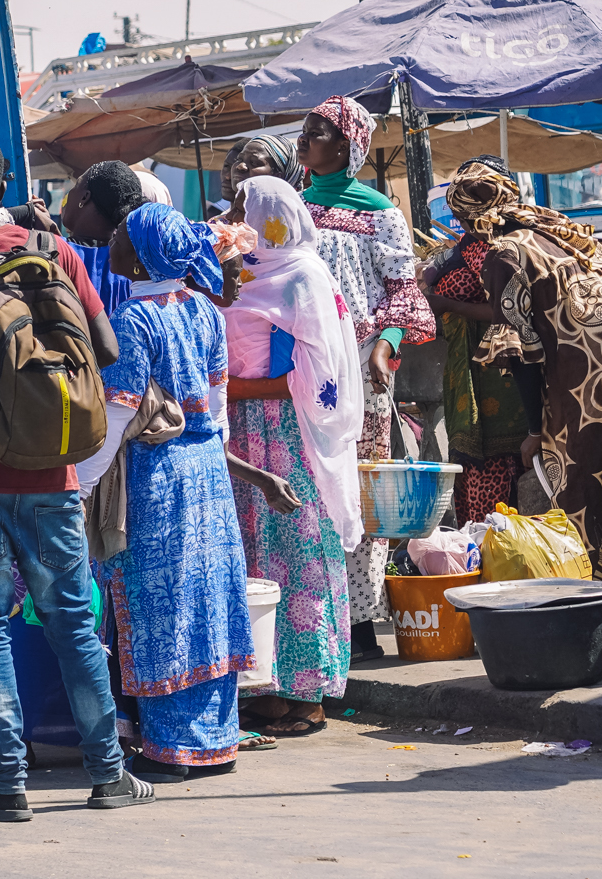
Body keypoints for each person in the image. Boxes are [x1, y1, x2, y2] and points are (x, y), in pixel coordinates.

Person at [0, 134, 153, 820]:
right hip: (52, 474)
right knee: (73, 623)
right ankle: (108, 774)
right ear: (7, 179)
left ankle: (7, 785)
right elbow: (105, 347)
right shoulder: (55, 251)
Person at [77, 201, 254, 780]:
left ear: (144, 252)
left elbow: (118, 415)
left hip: (156, 479)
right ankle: (217, 741)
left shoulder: (134, 322)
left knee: (162, 607)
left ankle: (170, 746)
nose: (115, 244)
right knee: (207, 603)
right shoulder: (205, 311)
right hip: (206, 473)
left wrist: (79, 487)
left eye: (124, 237)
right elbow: (220, 407)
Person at [218, 176, 362, 736]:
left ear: (271, 216)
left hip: (287, 431)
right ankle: (269, 689)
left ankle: (310, 693)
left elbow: (318, 372)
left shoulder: (302, 275)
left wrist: (235, 390)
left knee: (299, 549)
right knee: (256, 556)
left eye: (241, 207)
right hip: (243, 433)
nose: (231, 216)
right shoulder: (239, 274)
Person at [295, 96, 433, 662]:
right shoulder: (292, 208)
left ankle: (359, 623)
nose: (304, 141)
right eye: (304, 132)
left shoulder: (379, 211)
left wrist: (388, 346)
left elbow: (404, 292)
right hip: (306, 366)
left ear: (349, 145)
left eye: (319, 132)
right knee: (311, 484)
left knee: (361, 486)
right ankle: (316, 617)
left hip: (362, 364)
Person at [443, 164, 602, 580]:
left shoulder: (505, 253)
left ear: (468, 217)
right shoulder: (554, 230)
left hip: (587, 379)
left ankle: (600, 587)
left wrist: (536, 430)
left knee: (583, 482)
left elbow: (520, 350)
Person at [420, 156, 541, 524]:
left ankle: (501, 560)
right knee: (473, 474)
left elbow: (509, 313)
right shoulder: (472, 241)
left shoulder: (502, 249)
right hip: (470, 375)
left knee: (501, 480)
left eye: (469, 210)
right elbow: (445, 262)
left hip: (503, 376)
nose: (463, 221)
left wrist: (444, 303)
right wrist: (433, 270)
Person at [60, 159, 149, 314]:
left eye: (76, 186)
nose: (69, 194)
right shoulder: (131, 267)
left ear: (84, 197)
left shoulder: (55, 252)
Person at [221, 134, 304, 223]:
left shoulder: (292, 228)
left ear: (278, 177)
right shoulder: (216, 227)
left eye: (254, 162)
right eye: (239, 159)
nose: (240, 166)